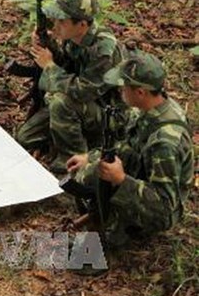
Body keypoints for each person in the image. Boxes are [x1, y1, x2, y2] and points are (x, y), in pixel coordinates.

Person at [66, 51, 194, 248]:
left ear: (141, 92)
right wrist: (90, 158)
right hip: (140, 177)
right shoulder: (150, 110)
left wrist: (121, 181)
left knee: (90, 246)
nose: (120, 90)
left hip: (157, 210)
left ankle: (115, 230)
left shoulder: (165, 143)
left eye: (124, 86)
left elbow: (165, 208)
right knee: (85, 175)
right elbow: (127, 146)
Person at [15, 0, 126, 173]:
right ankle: (67, 137)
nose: (55, 26)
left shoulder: (104, 49)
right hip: (82, 107)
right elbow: (68, 67)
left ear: (82, 24)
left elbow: (82, 91)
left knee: (60, 102)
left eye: (62, 22)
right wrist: (49, 46)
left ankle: (73, 157)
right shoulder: (73, 37)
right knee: (25, 137)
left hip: (108, 113)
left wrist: (49, 67)